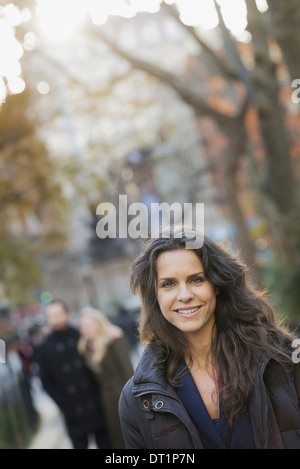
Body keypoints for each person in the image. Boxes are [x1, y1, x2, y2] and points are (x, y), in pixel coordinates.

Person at [119, 225, 300, 449]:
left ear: (216, 285)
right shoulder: (136, 401)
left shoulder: (283, 360)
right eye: (168, 284)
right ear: (155, 296)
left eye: (196, 279)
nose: (184, 295)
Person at [36, 300, 109, 449]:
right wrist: (63, 404)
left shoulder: (80, 336)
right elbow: (46, 381)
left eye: (58, 314)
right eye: (51, 316)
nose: (55, 319)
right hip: (72, 412)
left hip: (96, 405)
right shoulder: (44, 348)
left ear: (66, 314)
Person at [78, 307, 134, 449]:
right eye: (83, 327)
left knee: (130, 436)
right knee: (116, 439)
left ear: (99, 324)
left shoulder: (114, 340)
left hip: (122, 395)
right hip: (106, 398)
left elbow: (128, 371)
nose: (86, 329)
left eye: (90, 325)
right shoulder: (86, 347)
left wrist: (132, 400)